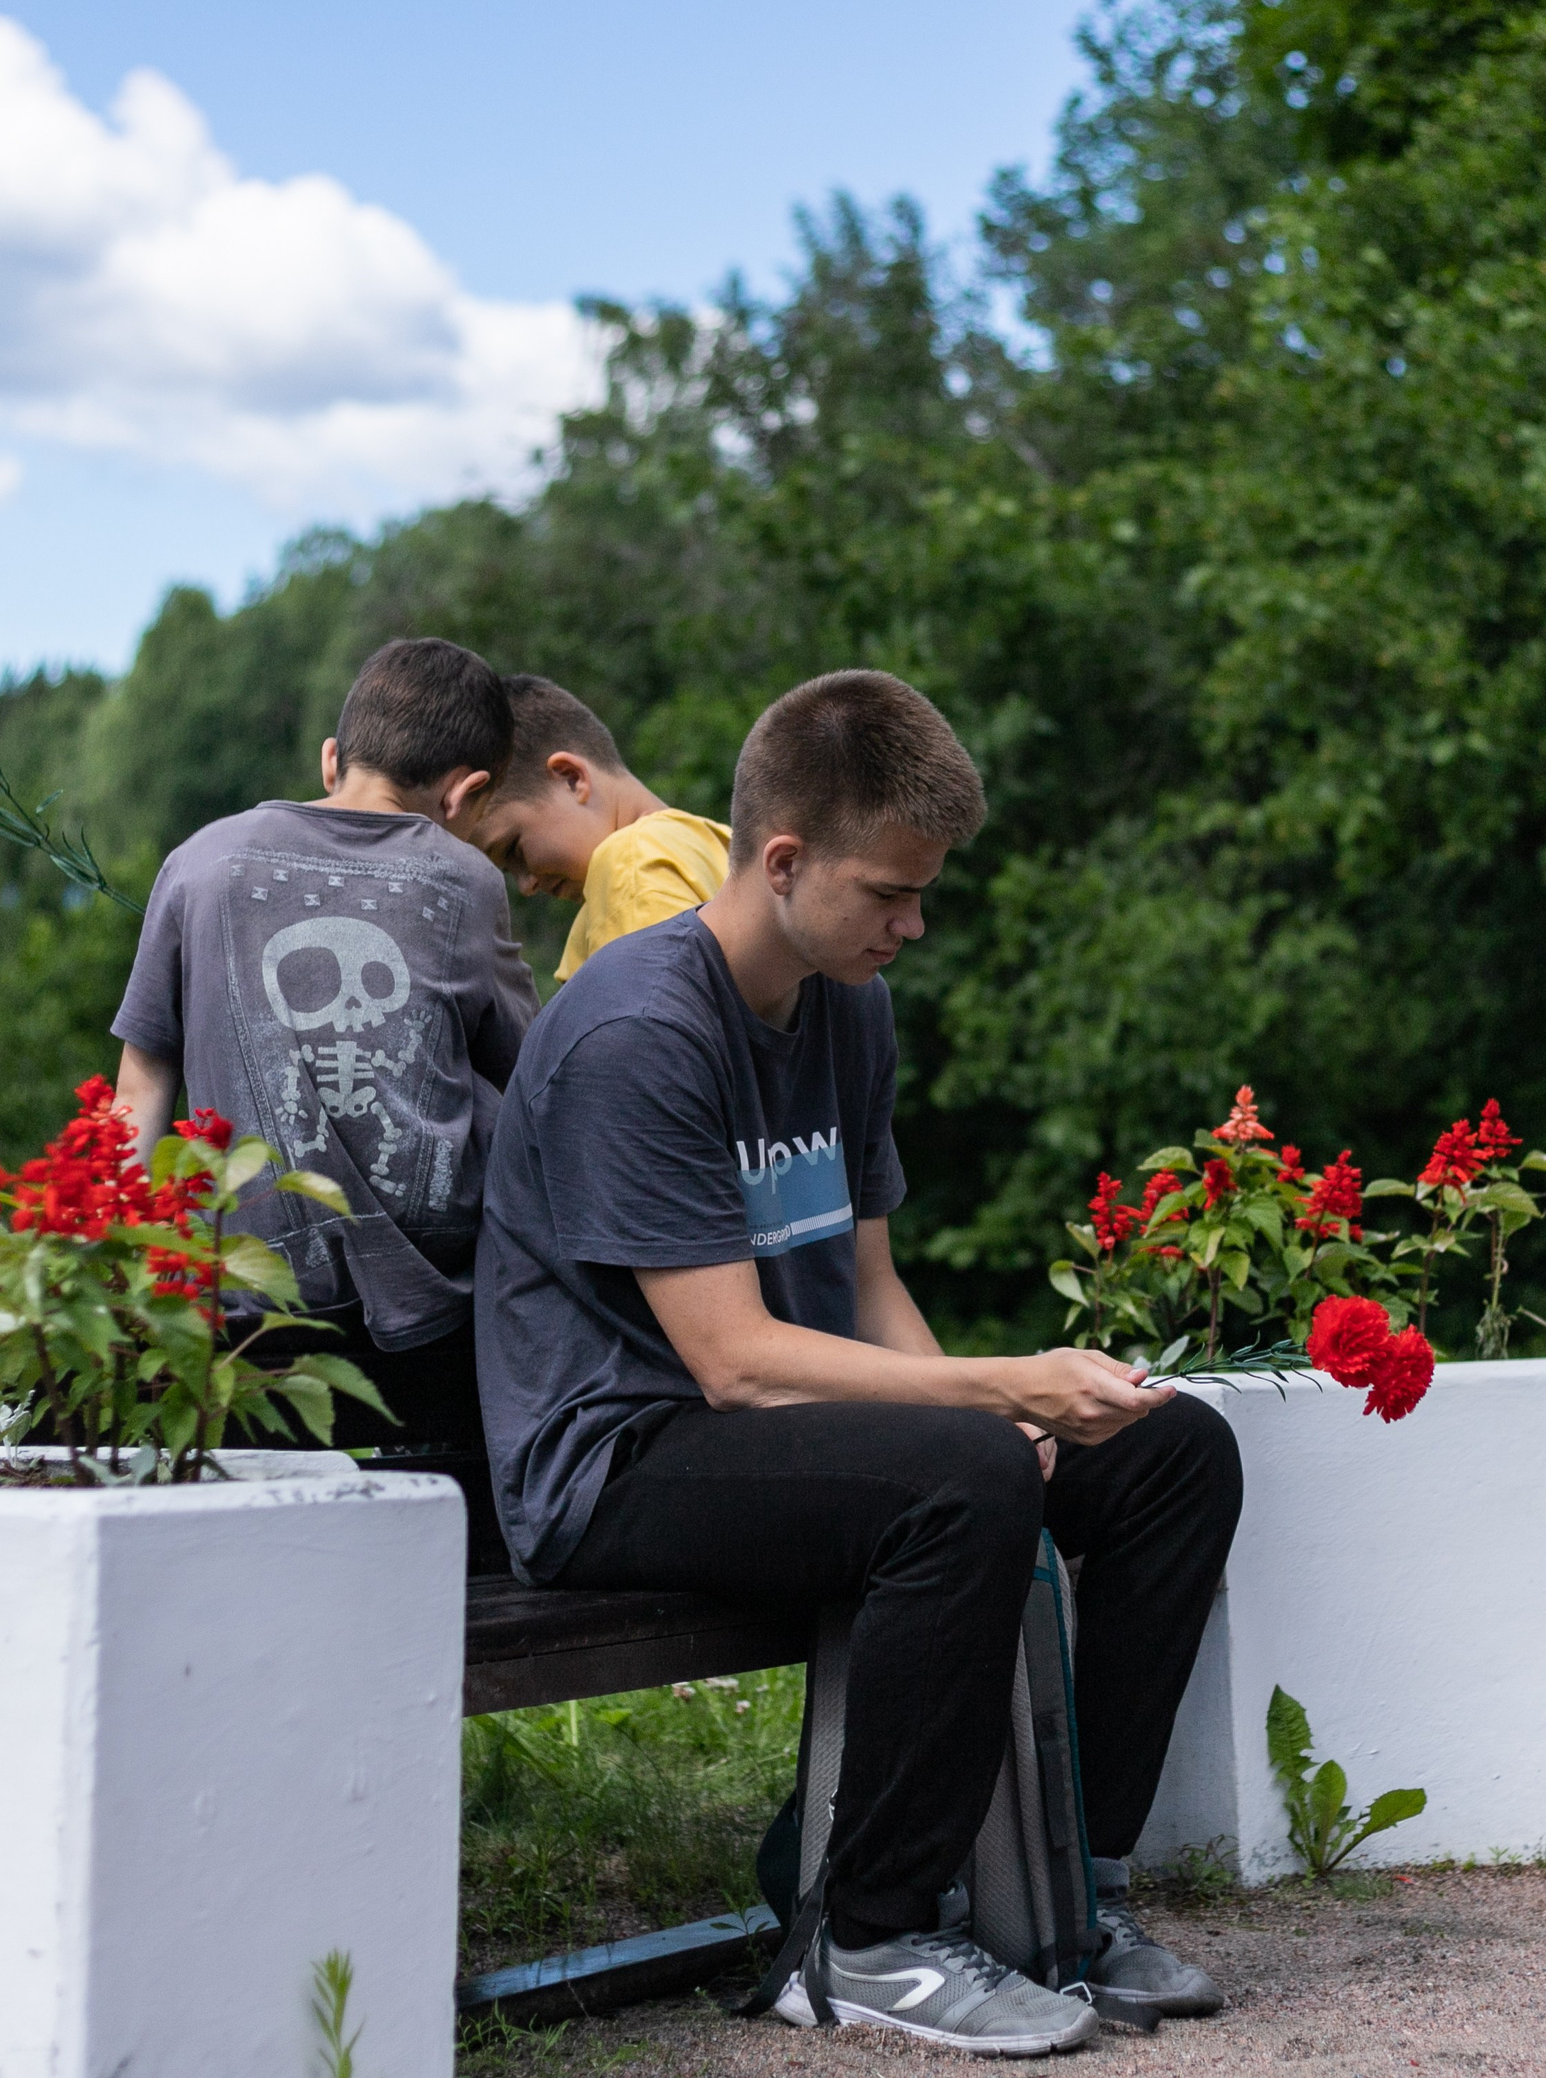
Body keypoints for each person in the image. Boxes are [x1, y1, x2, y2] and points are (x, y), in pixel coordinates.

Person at [475, 669, 1240, 2055]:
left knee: (1168, 1453)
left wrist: (1023, 1430)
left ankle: (1067, 1894)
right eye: (891, 891)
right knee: (959, 1469)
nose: (915, 922)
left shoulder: (847, 1007)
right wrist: (999, 1397)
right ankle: (870, 1939)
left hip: (780, 1421)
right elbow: (734, 1362)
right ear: (784, 860)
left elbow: (867, 1288)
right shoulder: (644, 1028)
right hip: (617, 1455)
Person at [110, 638, 538, 1421]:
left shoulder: (203, 860)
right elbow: (528, 1073)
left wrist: (117, 1269)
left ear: (331, 757)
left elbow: (140, 1088)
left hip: (244, 1297)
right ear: (464, 794)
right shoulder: (464, 877)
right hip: (441, 1307)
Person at [452, 674, 731, 980]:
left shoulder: (632, 867)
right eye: (508, 870)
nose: (526, 885)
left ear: (572, 778)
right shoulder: (719, 844)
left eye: (514, 849)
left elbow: (651, 1022)